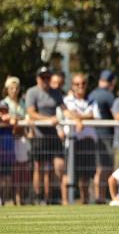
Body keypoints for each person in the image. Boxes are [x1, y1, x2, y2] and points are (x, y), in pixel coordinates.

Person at [26, 66, 69, 204]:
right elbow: (31, 113)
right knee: (39, 167)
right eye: (42, 77)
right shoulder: (32, 92)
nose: (45, 80)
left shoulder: (56, 93)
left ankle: (49, 197)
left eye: (47, 77)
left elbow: (65, 110)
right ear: (38, 78)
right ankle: (38, 198)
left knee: (55, 167)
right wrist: (48, 119)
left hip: (53, 136)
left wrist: (79, 119)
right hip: (39, 136)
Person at [62, 73, 97, 204]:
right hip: (72, 141)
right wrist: (78, 118)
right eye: (77, 84)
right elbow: (67, 113)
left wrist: (77, 118)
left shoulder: (92, 100)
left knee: (86, 175)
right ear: (72, 85)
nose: (80, 86)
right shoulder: (67, 100)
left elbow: (92, 115)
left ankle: (84, 201)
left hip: (88, 141)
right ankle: (66, 202)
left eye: (83, 83)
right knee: (68, 173)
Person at [88, 69, 116, 204]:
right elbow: (115, 114)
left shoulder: (92, 93)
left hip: (92, 134)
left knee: (99, 168)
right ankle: (101, 196)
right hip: (105, 135)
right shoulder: (108, 95)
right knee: (104, 168)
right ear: (112, 82)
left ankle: (98, 195)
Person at [3, 77, 29, 205]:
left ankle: (20, 198)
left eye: (16, 87)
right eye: (11, 88)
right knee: (11, 172)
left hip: (22, 140)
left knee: (22, 170)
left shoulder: (22, 103)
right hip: (8, 141)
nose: (14, 90)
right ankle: (12, 198)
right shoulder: (4, 103)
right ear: (6, 89)